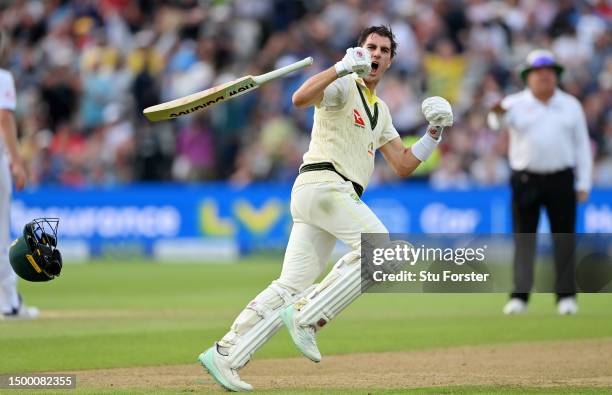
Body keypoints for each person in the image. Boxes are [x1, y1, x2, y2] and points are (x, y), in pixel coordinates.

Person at [197, 25, 454, 392]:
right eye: (371, 47)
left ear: (391, 60)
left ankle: (226, 353)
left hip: (325, 196)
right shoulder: (343, 83)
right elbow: (299, 98)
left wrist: (433, 134)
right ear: (359, 50)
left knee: (289, 286)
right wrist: (340, 67)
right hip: (324, 183)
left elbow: (402, 164)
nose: (377, 54)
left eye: (384, 50)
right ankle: (308, 315)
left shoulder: (380, 111)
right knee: (382, 249)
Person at [488, 49, 592, 316]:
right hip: (526, 179)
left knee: (564, 237)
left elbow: (582, 146)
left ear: (556, 76)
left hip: (561, 178)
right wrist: (497, 113)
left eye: (549, 72)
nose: (544, 77)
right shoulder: (514, 103)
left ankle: (566, 297)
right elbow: (495, 123)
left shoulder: (570, 105)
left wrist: (584, 182)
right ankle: (520, 296)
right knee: (524, 239)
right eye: (538, 73)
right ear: (528, 76)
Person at [0, 29, 39, 320]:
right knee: (1, 234)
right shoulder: (2, 77)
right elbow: (4, 117)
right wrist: (16, 161)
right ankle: (9, 303)